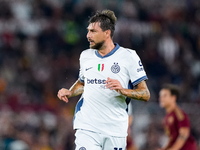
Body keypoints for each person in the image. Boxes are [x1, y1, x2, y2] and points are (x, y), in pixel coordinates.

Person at [57, 9, 150, 150]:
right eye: (88, 31)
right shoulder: (85, 56)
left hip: (115, 130)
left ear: (107, 33)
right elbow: (83, 83)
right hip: (87, 127)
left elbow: (145, 94)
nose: (88, 35)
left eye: (93, 31)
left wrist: (123, 90)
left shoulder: (128, 56)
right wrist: (70, 92)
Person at [158, 84, 197, 150]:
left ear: (173, 98)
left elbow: (184, 135)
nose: (161, 98)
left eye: (165, 96)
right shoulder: (168, 116)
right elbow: (172, 138)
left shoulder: (179, 114)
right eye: (160, 96)